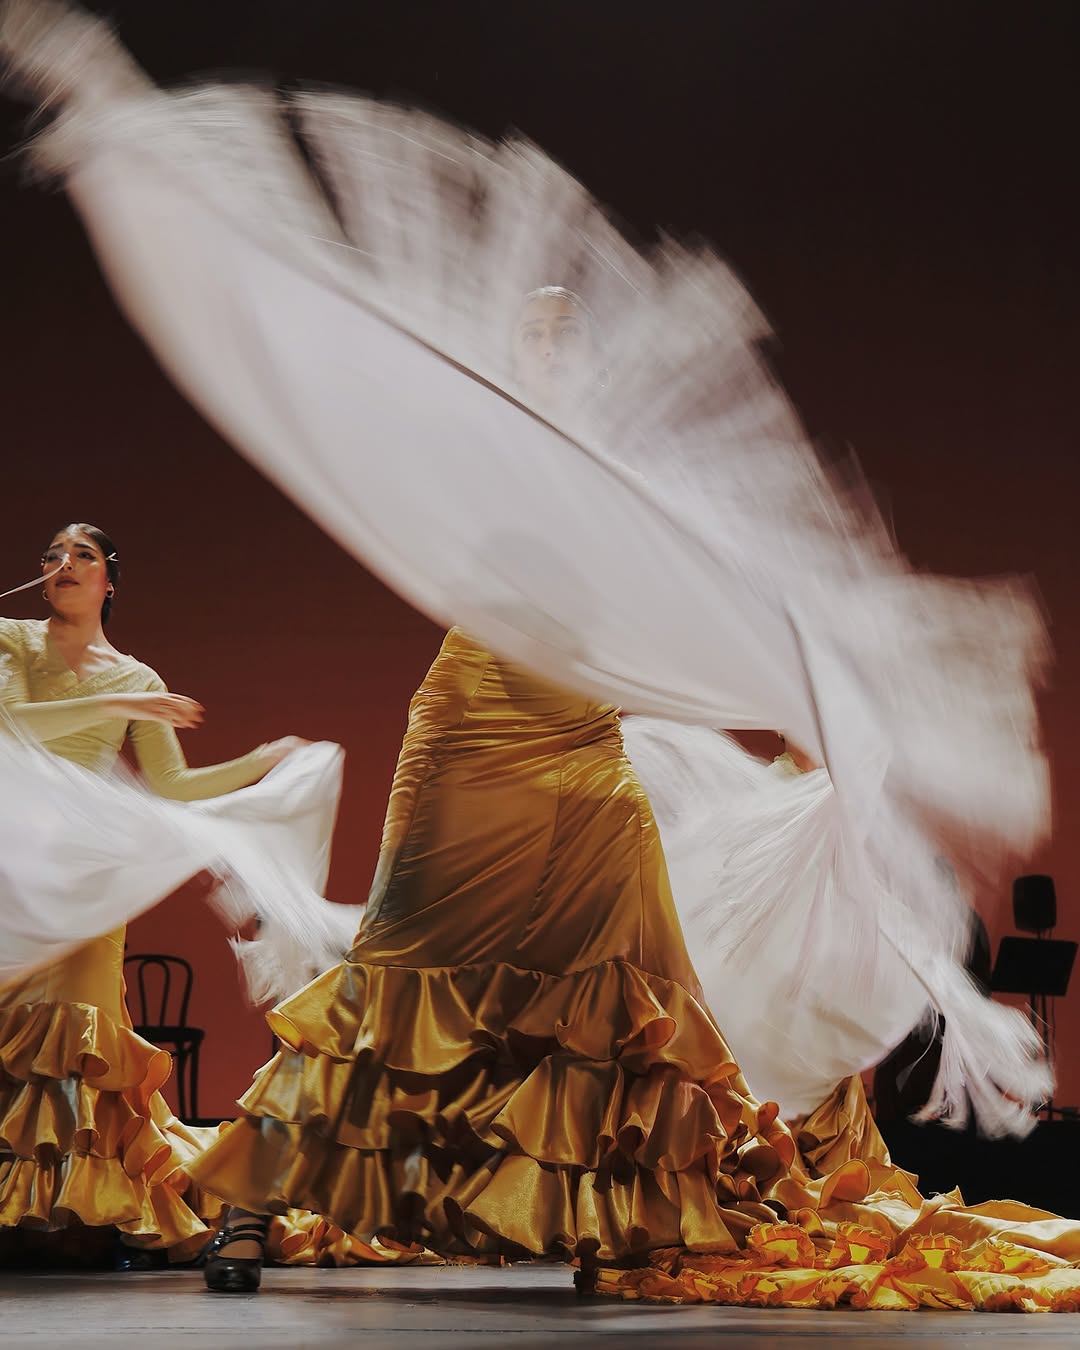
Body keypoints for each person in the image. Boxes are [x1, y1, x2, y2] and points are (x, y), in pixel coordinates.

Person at [0, 522, 303, 1266]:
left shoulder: (137, 677)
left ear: (109, 580)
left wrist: (259, 763)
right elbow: (11, 724)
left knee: (77, 1037)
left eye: (82, 555)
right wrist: (115, 711)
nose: (64, 564)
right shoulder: (12, 640)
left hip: (85, 877)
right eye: (52, 555)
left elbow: (171, 784)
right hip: (12, 864)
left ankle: (72, 1213)